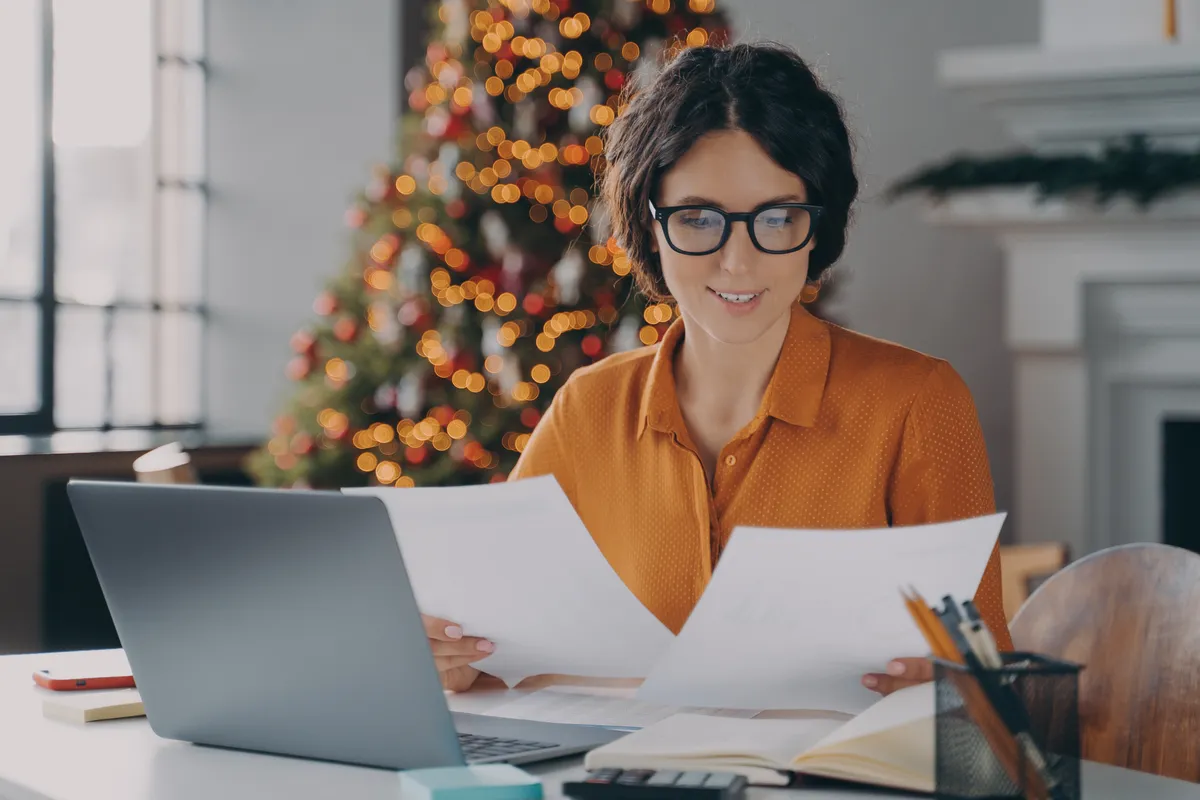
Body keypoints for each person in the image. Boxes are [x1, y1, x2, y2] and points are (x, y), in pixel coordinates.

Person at [422, 40, 1012, 698]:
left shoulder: (918, 403)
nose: (738, 262)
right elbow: (494, 647)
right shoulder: (588, 409)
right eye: (699, 219)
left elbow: (987, 692)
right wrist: (456, 661)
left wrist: (952, 687)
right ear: (649, 226)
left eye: (778, 218)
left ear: (817, 227)